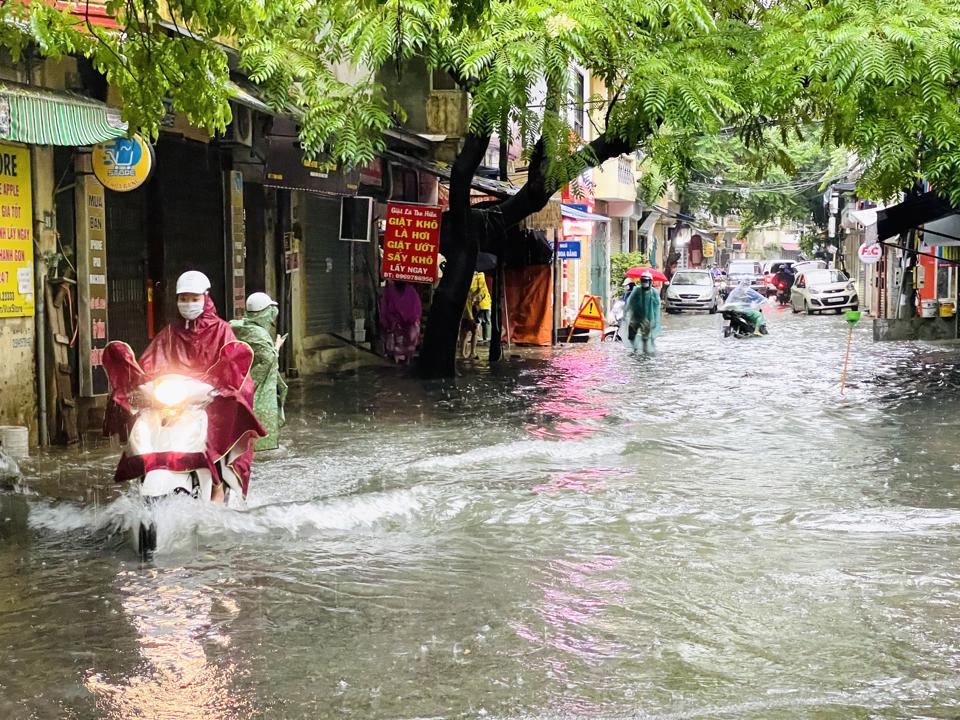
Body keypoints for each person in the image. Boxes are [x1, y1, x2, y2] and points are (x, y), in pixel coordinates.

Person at [138, 270, 261, 500]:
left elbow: (235, 367)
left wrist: (225, 388)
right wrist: (139, 382)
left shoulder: (222, 330)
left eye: (194, 298)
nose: (188, 303)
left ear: (206, 298)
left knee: (216, 434)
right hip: (175, 403)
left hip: (209, 403)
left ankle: (217, 486)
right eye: (183, 299)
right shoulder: (170, 333)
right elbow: (149, 363)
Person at [230, 292, 288, 452]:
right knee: (262, 426)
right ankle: (263, 448)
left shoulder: (241, 328)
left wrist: (275, 346)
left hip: (241, 385)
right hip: (261, 393)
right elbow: (268, 360)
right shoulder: (260, 335)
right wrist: (275, 348)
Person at [379, 280, 422, 363]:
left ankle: (407, 360)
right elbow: (384, 310)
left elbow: (416, 311)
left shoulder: (411, 292)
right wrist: (389, 323)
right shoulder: (389, 291)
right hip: (394, 328)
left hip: (408, 327)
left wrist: (408, 320)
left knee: (412, 333)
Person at [623, 270, 661, 354]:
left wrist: (655, 320)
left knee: (645, 338)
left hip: (648, 318)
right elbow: (630, 302)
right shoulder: (636, 290)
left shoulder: (654, 292)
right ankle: (634, 349)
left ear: (650, 281)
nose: (644, 282)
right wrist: (625, 313)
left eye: (646, 280)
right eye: (643, 280)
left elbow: (657, 307)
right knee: (631, 336)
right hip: (635, 317)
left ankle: (645, 353)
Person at [471, 272, 492, 344]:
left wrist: (475, 298)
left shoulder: (480, 275)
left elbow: (481, 290)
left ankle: (485, 338)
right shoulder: (473, 276)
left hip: (482, 303)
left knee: (483, 321)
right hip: (475, 303)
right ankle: (481, 337)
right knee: (478, 321)